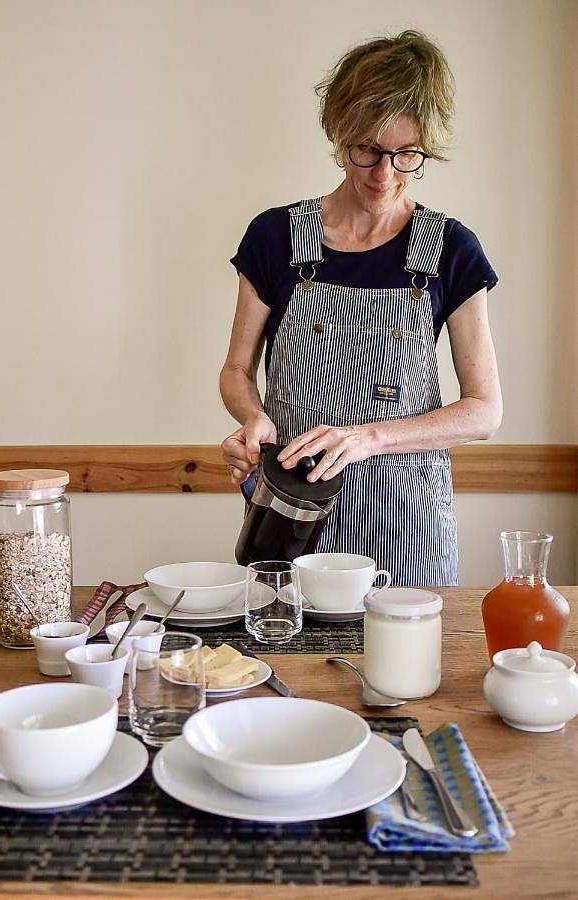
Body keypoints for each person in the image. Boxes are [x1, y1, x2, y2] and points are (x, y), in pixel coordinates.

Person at [220, 30, 502, 586]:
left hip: (408, 529)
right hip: (294, 516)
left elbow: (483, 411)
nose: (383, 173)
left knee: (408, 671)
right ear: (339, 135)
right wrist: (255, 419)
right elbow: (235, 371)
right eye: (367, 150)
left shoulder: (451, 249)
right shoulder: (276, 238)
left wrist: (367, 437)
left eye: (406, 155)